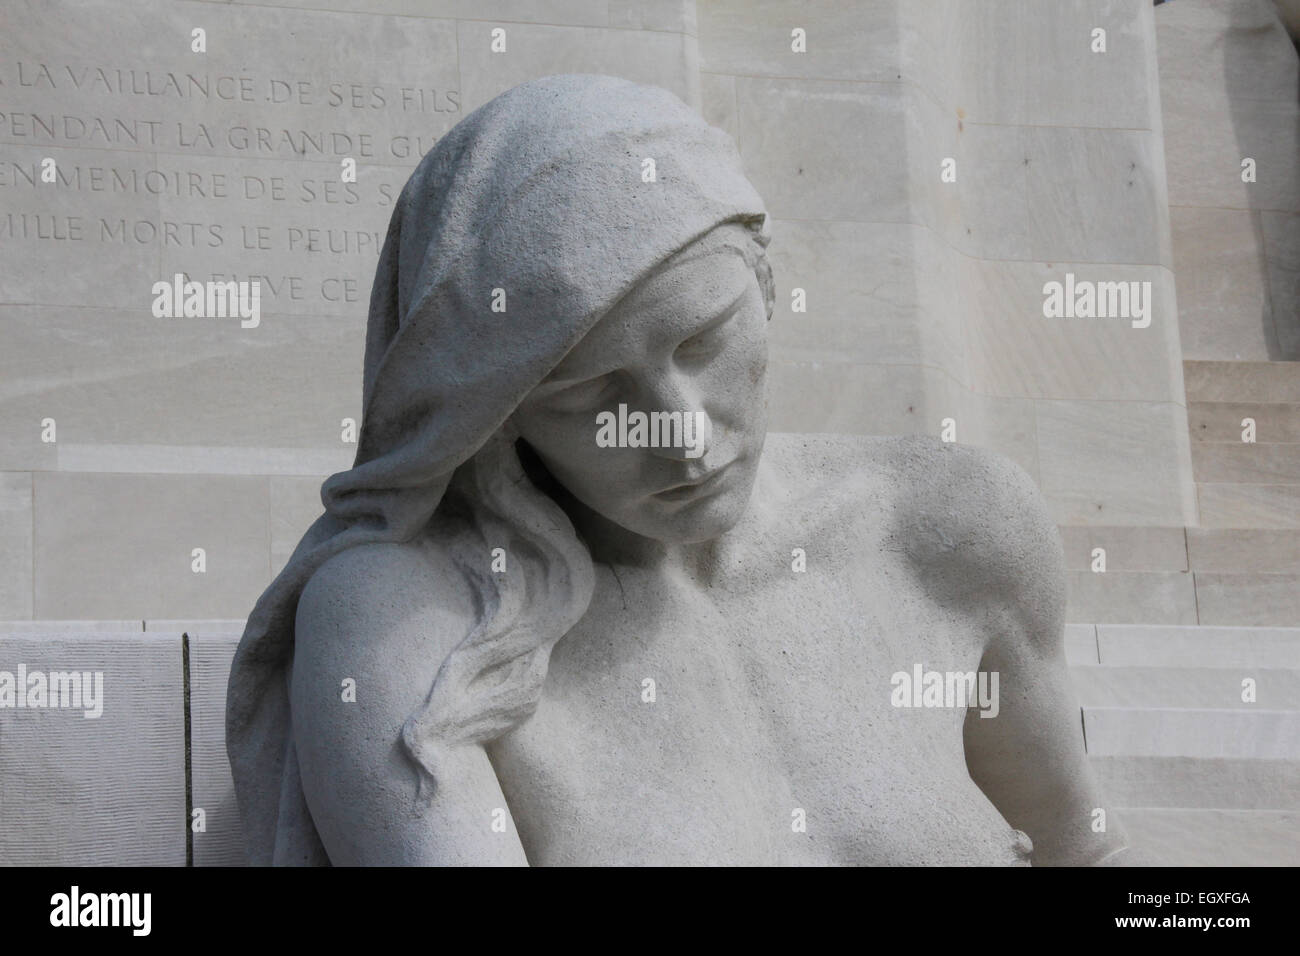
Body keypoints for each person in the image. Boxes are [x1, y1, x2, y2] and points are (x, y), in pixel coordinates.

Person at [227, 73, 1144, 866]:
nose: (684, 437)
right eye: (590, 396)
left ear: (769, 284)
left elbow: (1086, 854)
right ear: (497, 418)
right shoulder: (403, 624)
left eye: (705, 338)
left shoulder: (952, 529)